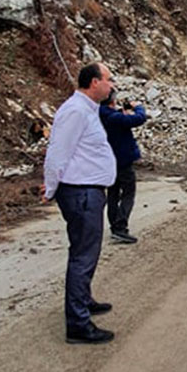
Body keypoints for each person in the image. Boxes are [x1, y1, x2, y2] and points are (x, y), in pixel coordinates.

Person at [41, 62, 117, 344]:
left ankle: (83, 301)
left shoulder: (88, 110)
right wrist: (50, 188)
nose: (112, 86)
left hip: (88, 192)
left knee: (87, 252)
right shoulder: (75, 111)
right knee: (83, 256)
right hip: (81, 193)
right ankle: (78, 324)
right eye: (109, 80)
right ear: (94, 82)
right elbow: (57, 153)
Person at [100, 92, 147, 244]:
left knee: (113, 194)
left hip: (108, 161)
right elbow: (139, 118)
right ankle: (120, 227)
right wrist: (138, 107)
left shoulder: (99, 114)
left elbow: (116, 117)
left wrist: (121, 111)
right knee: (128, 193)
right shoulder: (114, 118)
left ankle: (115, 226)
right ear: (112, 101)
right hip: (123, 160)